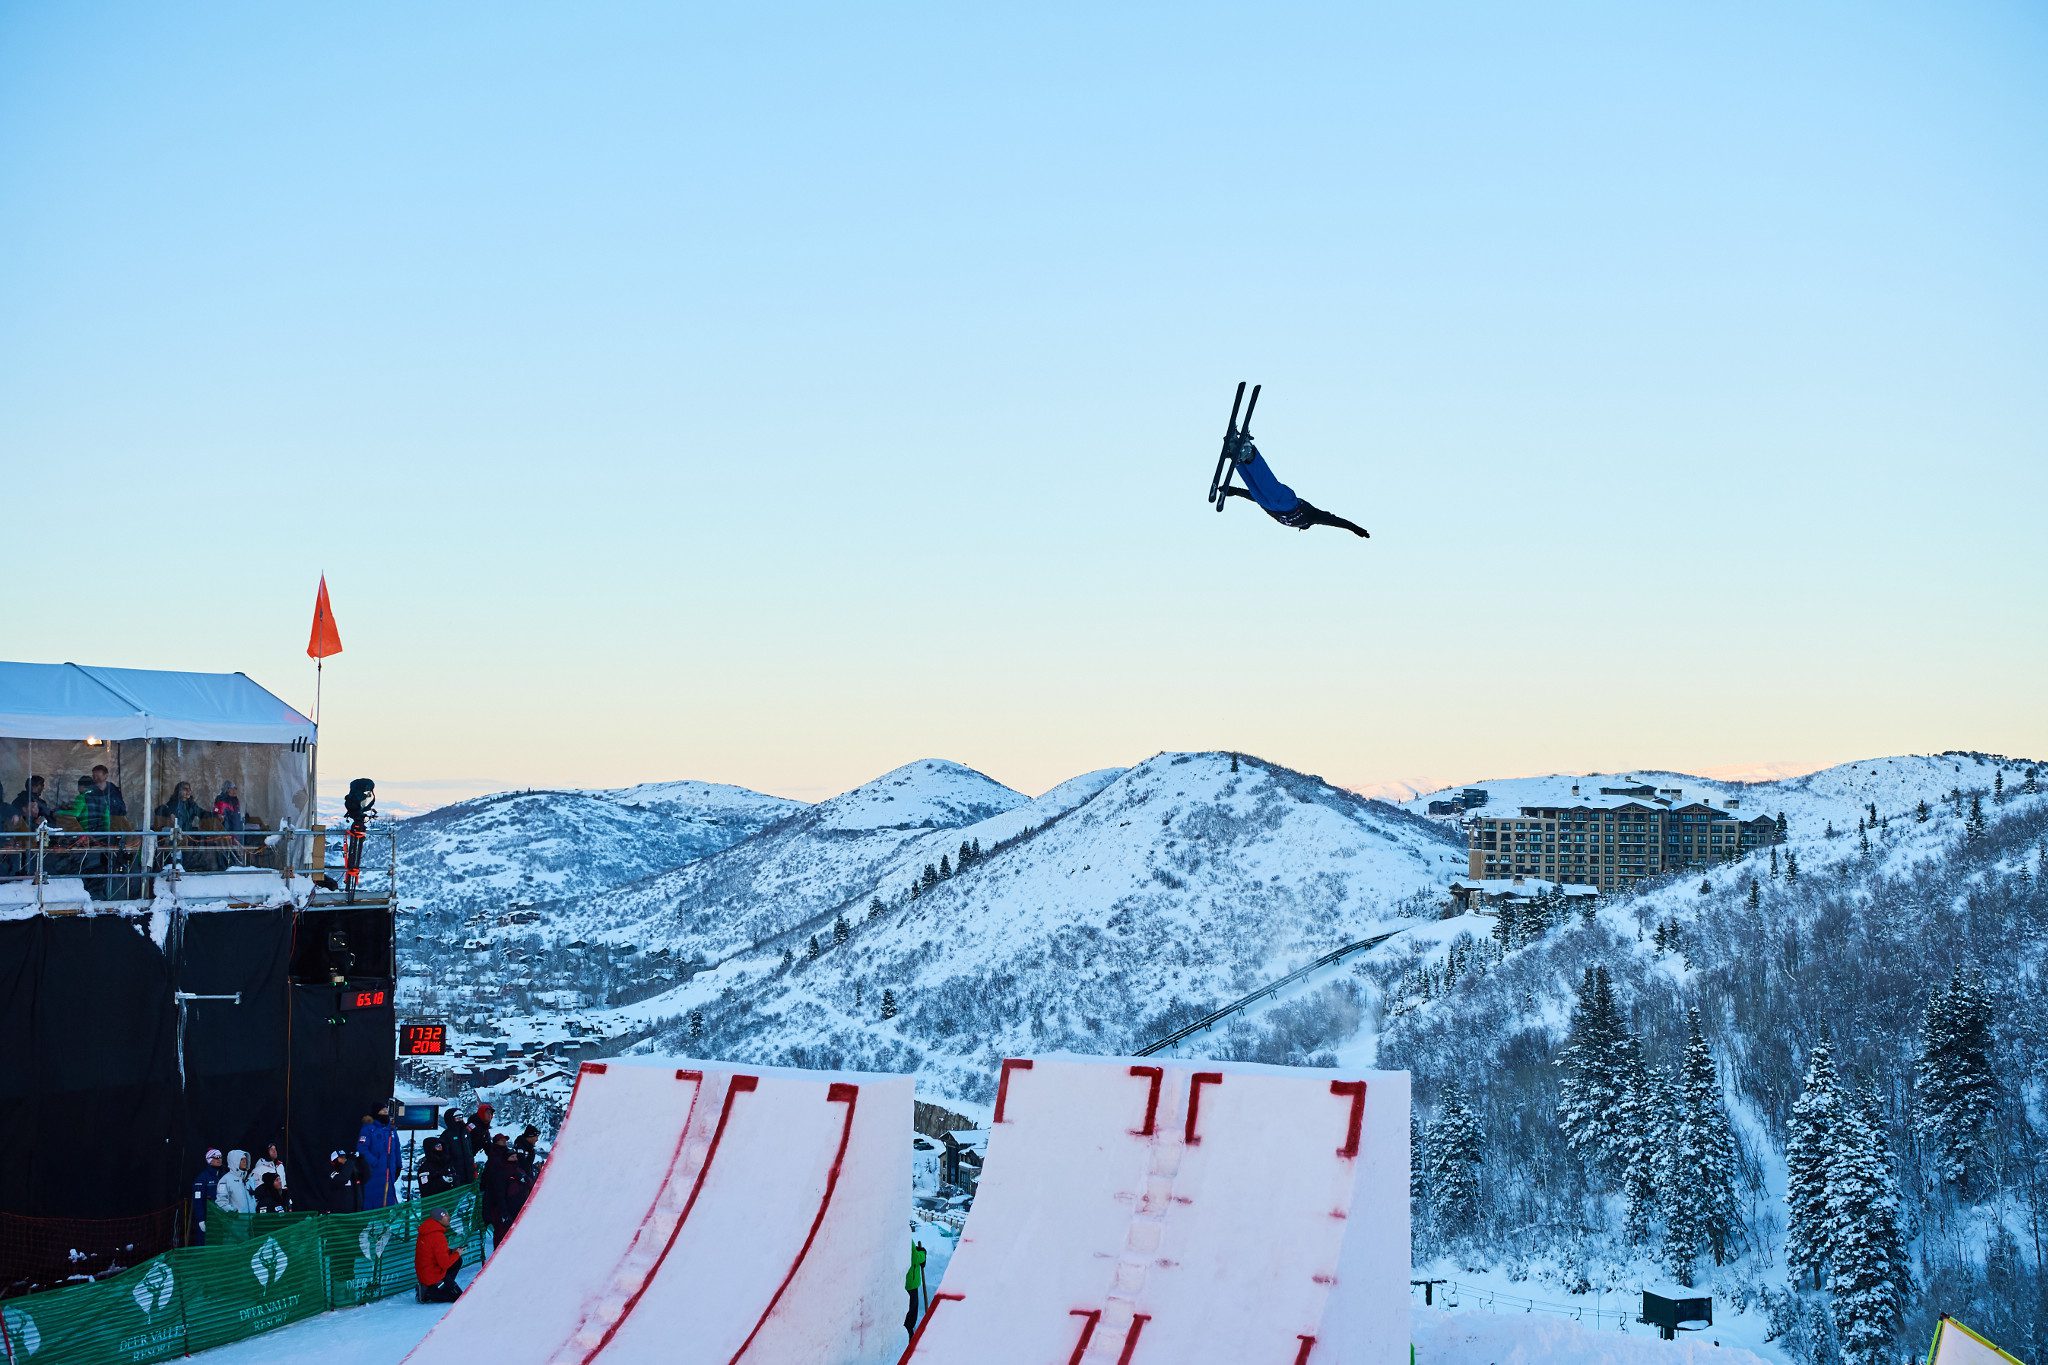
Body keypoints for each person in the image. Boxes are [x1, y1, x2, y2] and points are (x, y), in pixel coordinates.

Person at [1218, 434, 1370, 538]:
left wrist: (1235, 491)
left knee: (1254, 486)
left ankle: (1236, 454)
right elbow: (1334, 521)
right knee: (1265, 482)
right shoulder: (1311, 518)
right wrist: (1353, 528)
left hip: (1268, 505)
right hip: (1289, 503)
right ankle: (1248, 451)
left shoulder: (1288, 522)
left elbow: (1255, 498)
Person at [414, 1207, 463, 1304]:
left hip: (425, 1272)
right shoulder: (437, 1236)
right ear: (439, 1218)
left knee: (457, 1260)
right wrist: (457, 1253)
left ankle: (440, 1286)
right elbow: (444, 1264)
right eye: (446, 1216)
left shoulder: (428, 1229)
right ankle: (429, 1293)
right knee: (459, 1297)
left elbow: (433, 1251)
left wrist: (451, 1251)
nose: (449, 1217)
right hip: (432, 1275)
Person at [357, 1102, 401, 1210]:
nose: (385, 1112)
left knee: (388, 1196)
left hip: (389, 1171)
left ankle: (386, 1221)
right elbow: (362, 1149)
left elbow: (396, 1148)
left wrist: (398, 1165)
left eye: (386, 1111)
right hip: (374, 1172)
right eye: (382, 1111)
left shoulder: (391, 1129)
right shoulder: (368, 1129)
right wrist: (375, 1162)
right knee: (373, 1197)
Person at [479, 1132, 517, 1252]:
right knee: (501, 1229)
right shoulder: (495, 1158)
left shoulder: (502, 1155)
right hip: (497, 1199)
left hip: (502, 1198)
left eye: (505, 1140)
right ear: (496, 1142)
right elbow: (493, 1182)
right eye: (501, 1140)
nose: (504, 1142)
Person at [190, 1148, 226, 1246]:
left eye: (220, 1157)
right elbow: (198, 1201)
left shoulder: (223, 1175)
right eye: (216, 1157)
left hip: (221, 1218)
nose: (219, 1159)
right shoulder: (202, 1178)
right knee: (205, 1243)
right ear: (209, 1159)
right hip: (208, 1219)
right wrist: (201, 1219)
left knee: (219, 1243)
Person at [439, 1109, 474, 1187]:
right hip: (456, 1172)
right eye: (457, 1118)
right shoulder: (446, 1135)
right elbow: (444, 1155)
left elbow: (470, 1149)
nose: (459, 1120)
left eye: (461, 1118)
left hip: (469, 1170)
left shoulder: (466, 1132)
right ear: (451, 1119)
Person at [215, 1149, 255, 1215]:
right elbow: (221, 1202)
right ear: (234, 1161)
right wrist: (233, 1213)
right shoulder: (225, 1180)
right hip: (236, 1223)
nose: (245, 1161)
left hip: (252, 1222)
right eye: (241, 1159)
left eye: (245, 1159)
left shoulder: (249, 1179)